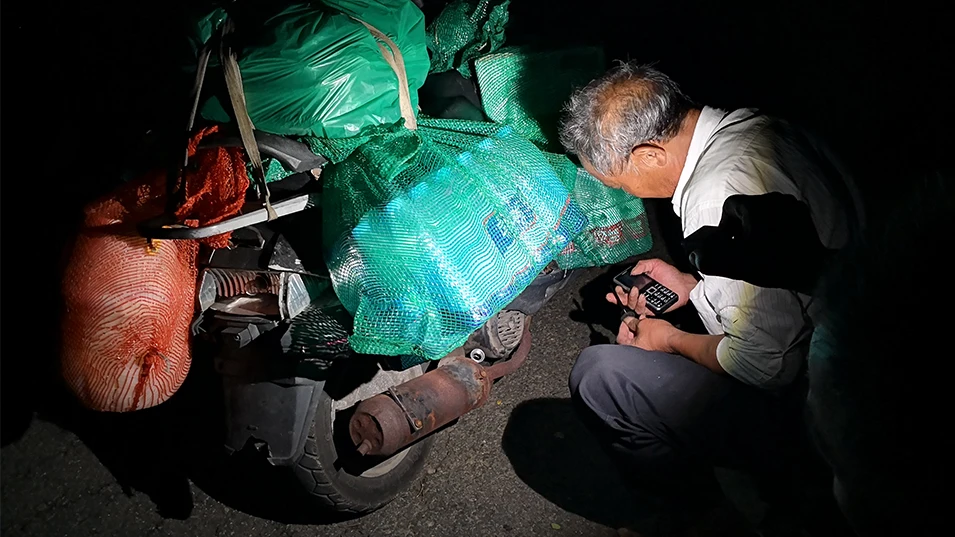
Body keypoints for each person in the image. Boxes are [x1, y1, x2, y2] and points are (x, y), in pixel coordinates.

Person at [559, 62, 864, 534]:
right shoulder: (755, 126)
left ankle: (706, 511)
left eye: (619, 182)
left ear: (650, 155)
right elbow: (788, 278)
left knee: (601, 375)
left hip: (826, 409)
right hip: (860, 341)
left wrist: (667, 340)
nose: (624, 192)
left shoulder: (714, 197)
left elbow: (764, 365)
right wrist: (691, 283)